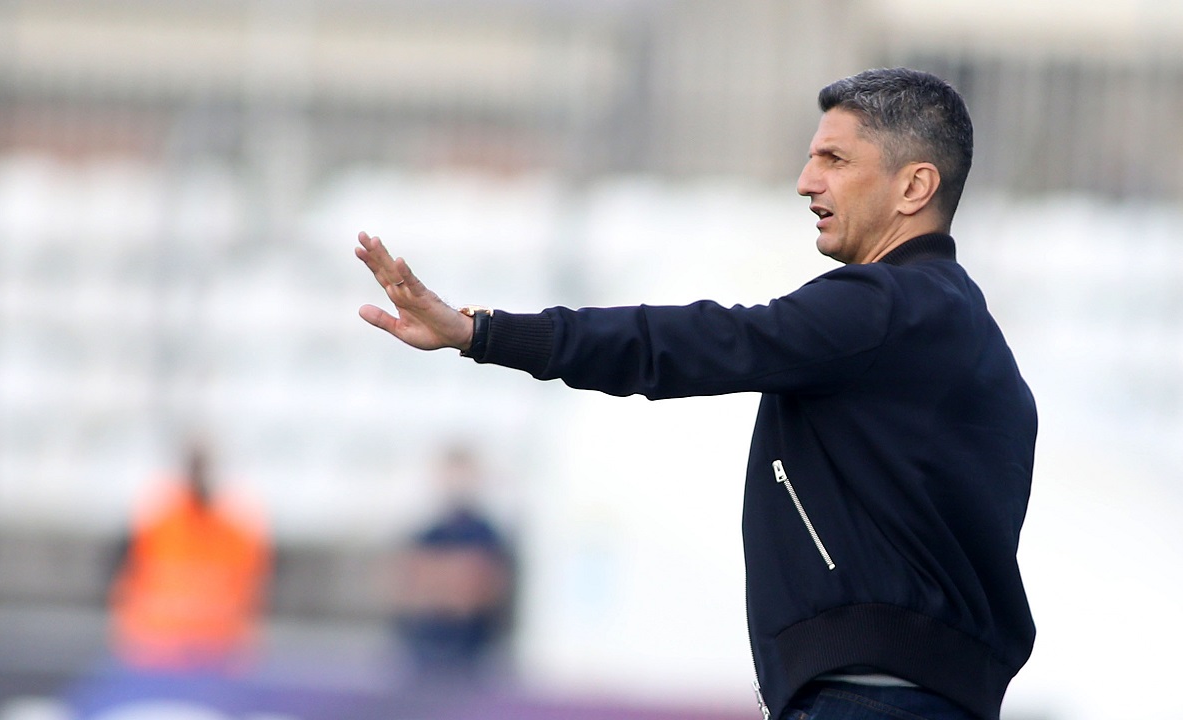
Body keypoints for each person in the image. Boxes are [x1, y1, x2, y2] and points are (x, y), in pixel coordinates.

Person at [353, 68, 1036, 720]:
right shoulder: (974, 344)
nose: (806, 182)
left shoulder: (888, 306)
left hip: (866, 698)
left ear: (914, 186)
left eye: (834, 159)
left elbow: (691, 342)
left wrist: (483, 332)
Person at [108, 442, 272, 675]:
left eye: (204, 467)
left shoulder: (236, 532)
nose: (199, 476)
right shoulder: (159, 524)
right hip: (157, 649)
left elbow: (253, 591)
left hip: (218, 651)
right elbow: (127, 579)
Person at [389, 445, 514, 683]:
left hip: (472, 649)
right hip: (425, 647)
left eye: (462, 474)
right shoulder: (428, 533)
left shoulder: (486, 535)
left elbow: (480, 589)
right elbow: (411, 585)